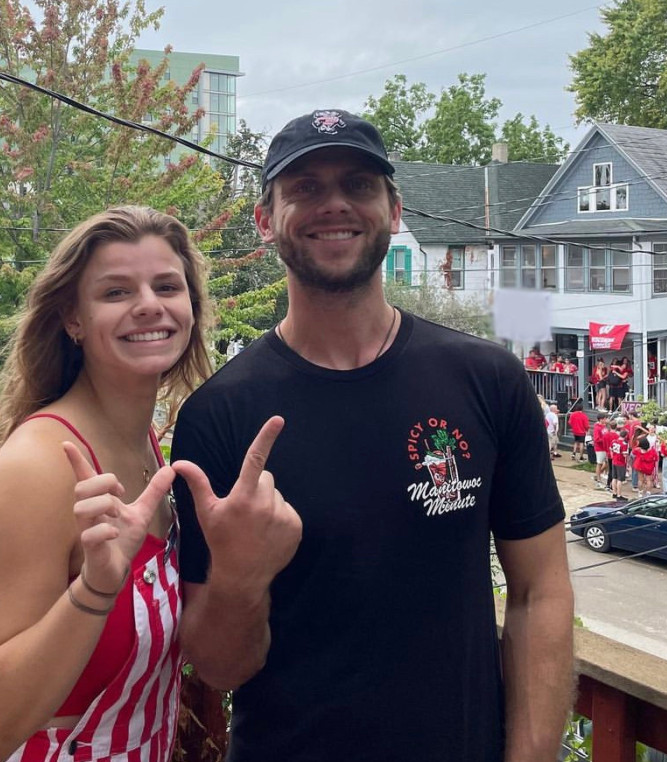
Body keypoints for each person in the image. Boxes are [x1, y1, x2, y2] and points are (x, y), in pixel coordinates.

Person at [171, 110, 574, 762]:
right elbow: (217, 668)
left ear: (393, 209)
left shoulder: (487, 380)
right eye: (304, 188)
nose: (334, 204)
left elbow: (540, 591)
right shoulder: (220, 416)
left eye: (358, 185)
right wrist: (241, 578)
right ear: (266, 220)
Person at [0, 206, 214, 762]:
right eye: (115, 292)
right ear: (73, 319)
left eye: (166, 286)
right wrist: (94, 592)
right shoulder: (38, 467)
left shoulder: (147, 446)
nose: (149, 305)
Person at [610, 429, 630, 501]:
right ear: (625, 436)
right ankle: (619, 495)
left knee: (614, 478)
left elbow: (611, 450)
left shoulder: (614, 441)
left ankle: (614, 493)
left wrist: (613, 457)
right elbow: (625, 455)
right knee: (619, 479)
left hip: (614, 461)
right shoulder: (624, 444)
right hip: (621, 462)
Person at [592, 412, 609, 488]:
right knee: (599, 463)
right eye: (605, 418)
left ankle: (598, 474)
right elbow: (596, 439)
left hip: (606, 447)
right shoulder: (597, 428)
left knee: (607, 463)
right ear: (601, 419)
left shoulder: (604, 426)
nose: (606, 420)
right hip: (600, 448)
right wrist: (605, 439)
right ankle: (598, 479)